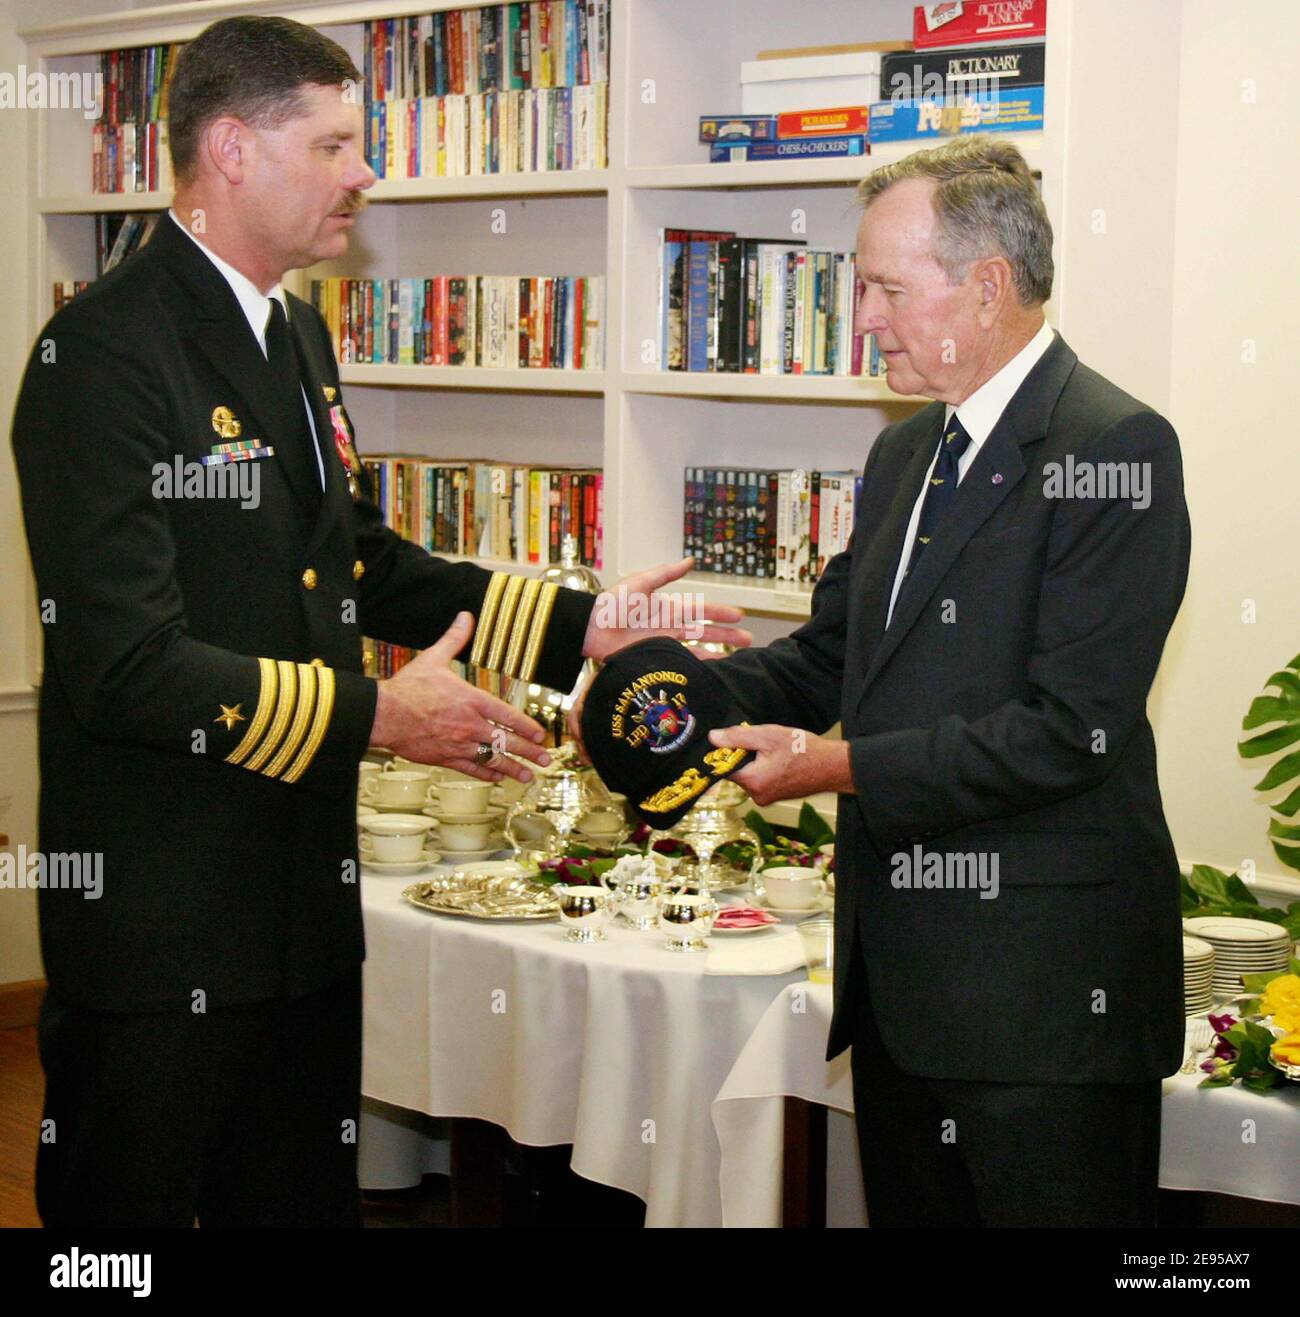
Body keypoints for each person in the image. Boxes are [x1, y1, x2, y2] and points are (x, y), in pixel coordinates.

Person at [11, 15, 746, 1228]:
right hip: (165, 925)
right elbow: (122, 668)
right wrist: (379, 715)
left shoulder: (293, 330)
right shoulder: (100, 354)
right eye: (337, 142)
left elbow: (357, 562)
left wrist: (579, 628)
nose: (365, 171)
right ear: (234, 150)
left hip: (299, 907)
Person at [610, 137, 1191, 1226]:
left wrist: (835, 766)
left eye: (883, 287)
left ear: (986, 286)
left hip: (1041, 1013)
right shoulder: (902, 454)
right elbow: (830, 658)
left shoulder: (1115, 447)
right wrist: (658, 680)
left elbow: (1072, 732)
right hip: (899, 996)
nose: (863, 317)